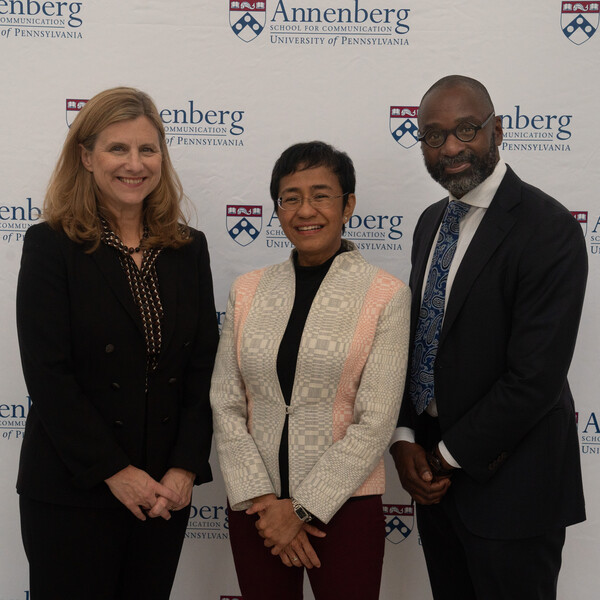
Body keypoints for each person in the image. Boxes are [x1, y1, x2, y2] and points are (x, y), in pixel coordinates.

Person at [16, 87, 219, 599]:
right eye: (117, 149)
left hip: (162, 493)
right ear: (86, 157)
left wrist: (184, 467)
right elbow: (48, 373)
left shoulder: (188, 248)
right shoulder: (51, 245)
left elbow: (203, 366)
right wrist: (113, 470)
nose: (135, 164)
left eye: (147, 150)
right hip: (73, 487)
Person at [390, 74, 587, 600]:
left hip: (514, 491)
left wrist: (445, 457)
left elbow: (535, 378)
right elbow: (421, 343)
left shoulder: (549, 228)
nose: (451, 147)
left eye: (467, 129)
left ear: (497, 131)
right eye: (434, 136)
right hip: (435, 488)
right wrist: (406, 438)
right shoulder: (431, 222)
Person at [210, 141, 410, 600]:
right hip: (254, 510)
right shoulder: (247, 289)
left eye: (321, 194)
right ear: (277, 210)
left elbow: (376, 420)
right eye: (291, 197)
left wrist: (299, 509)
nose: (306, 210)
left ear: (348, 205)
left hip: (344, 508)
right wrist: (265, 504)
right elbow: (225, 400)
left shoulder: (386, 294)